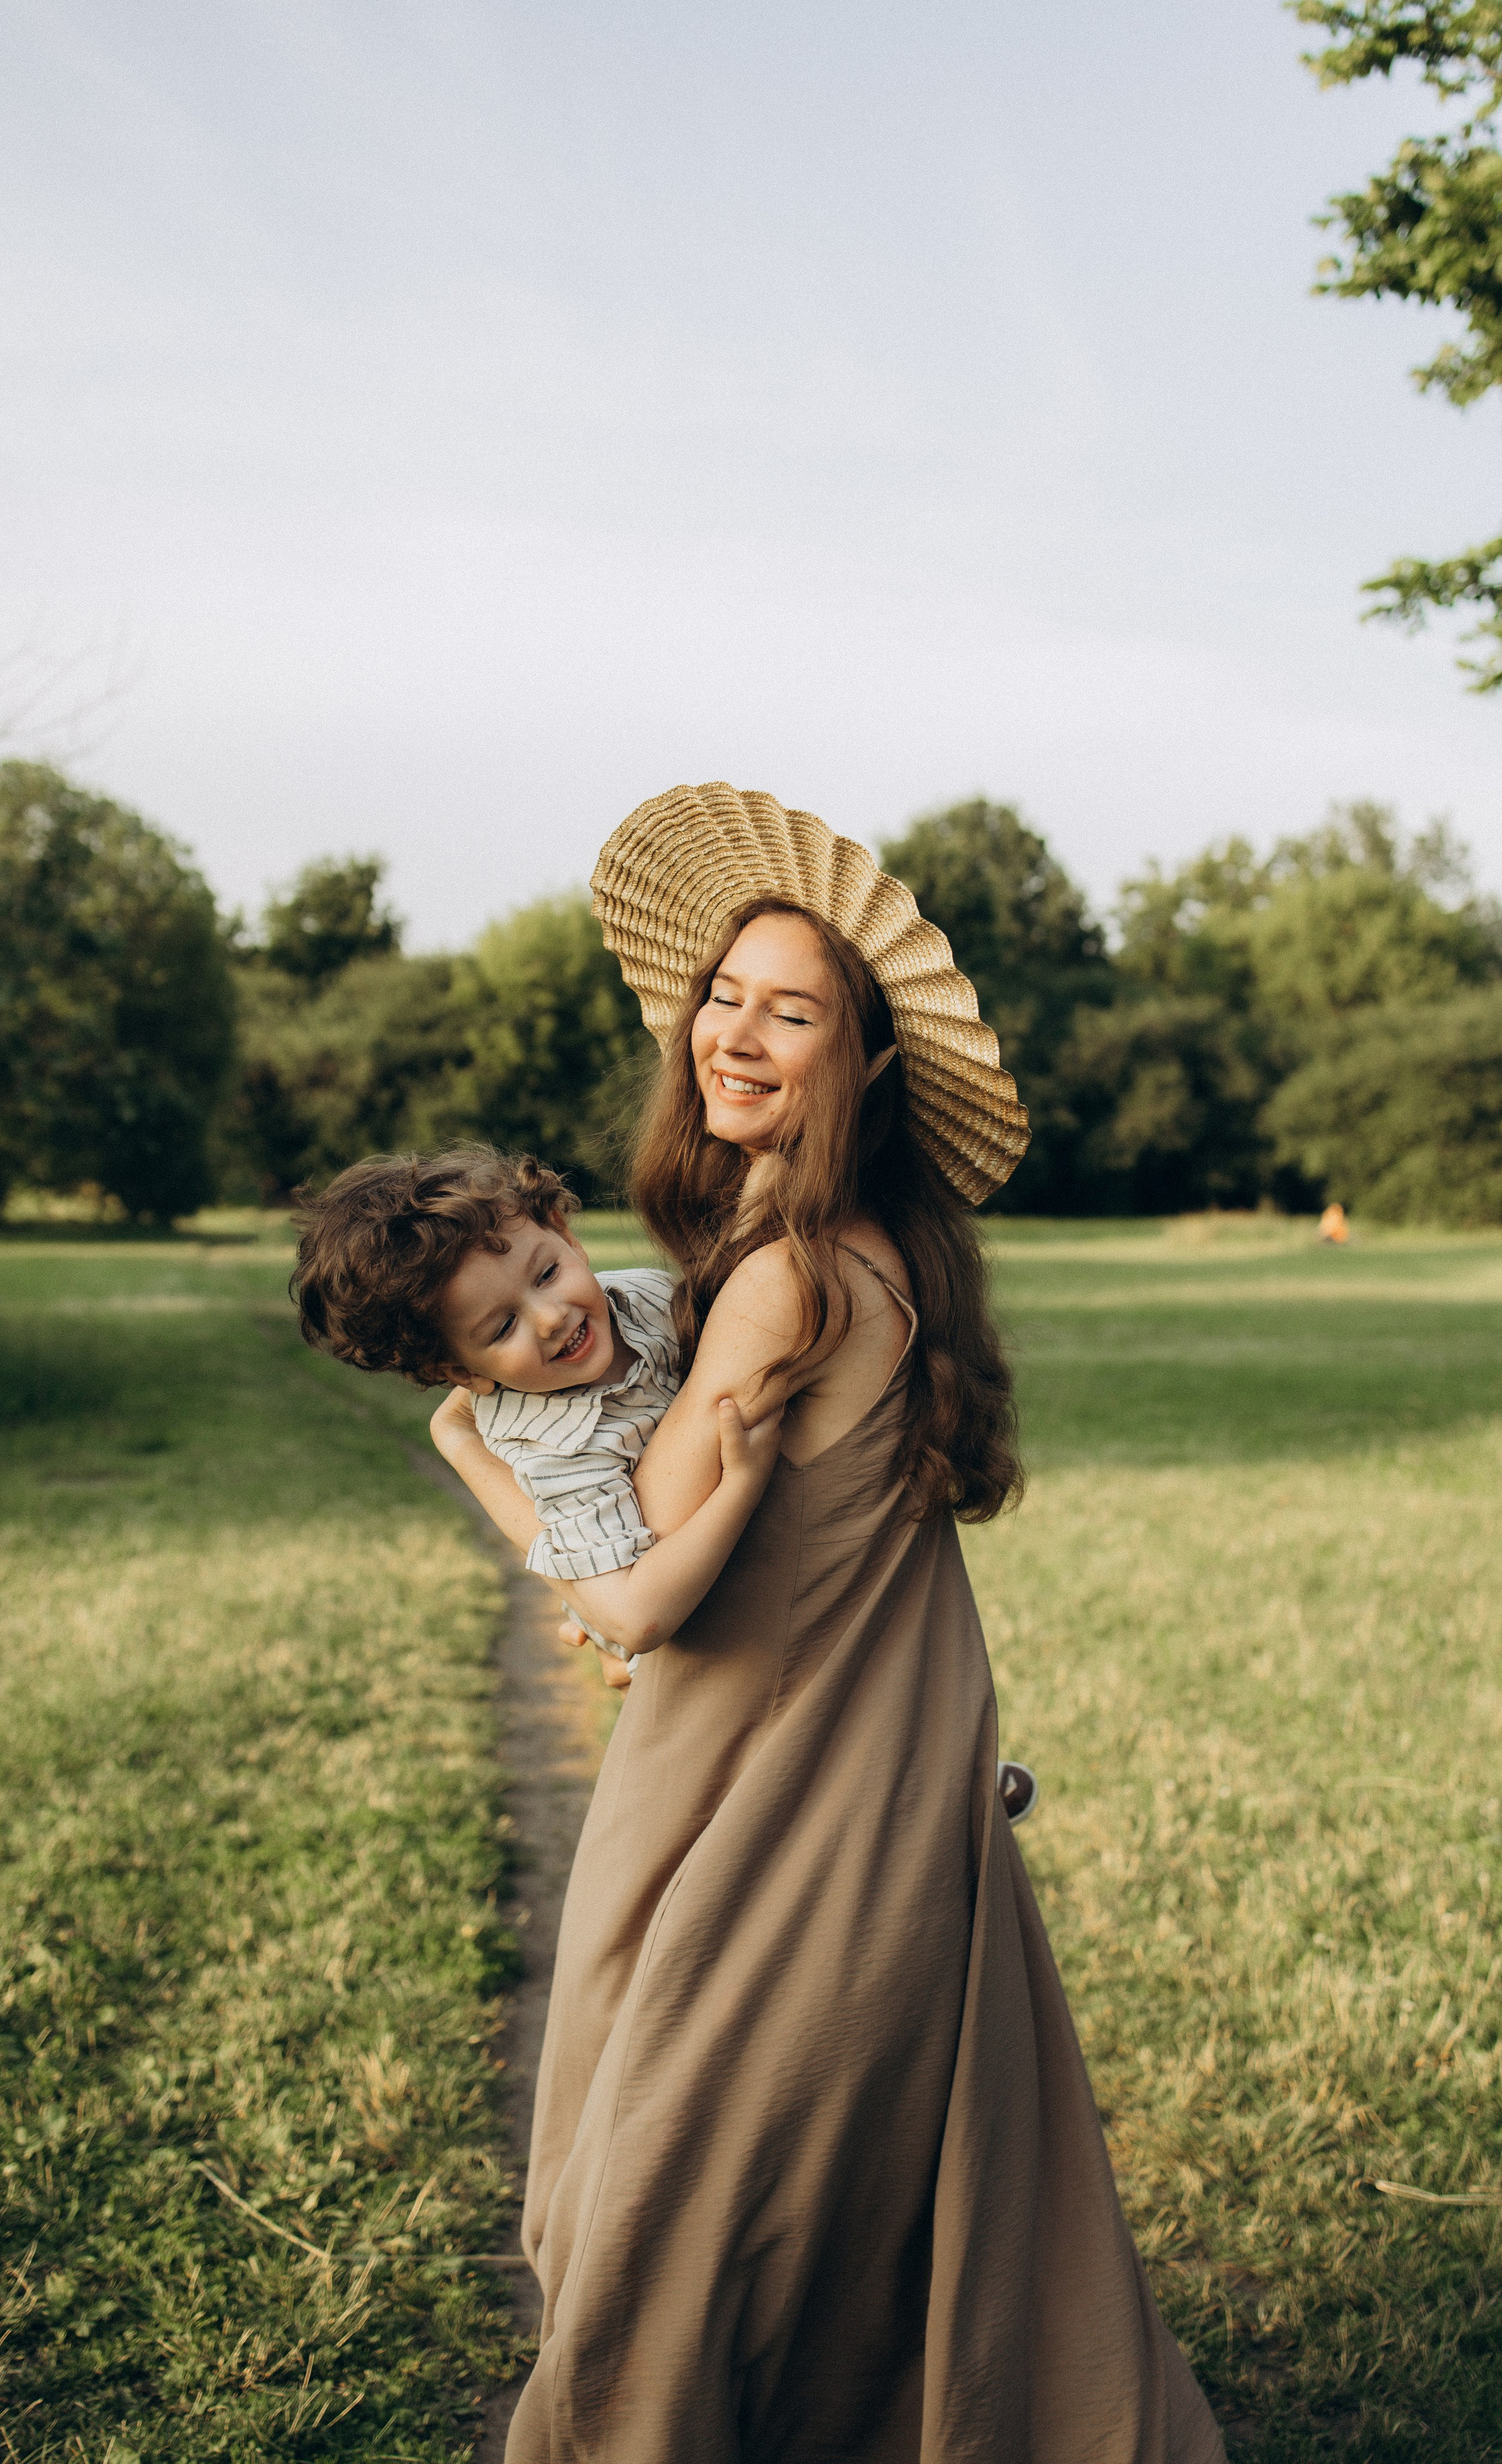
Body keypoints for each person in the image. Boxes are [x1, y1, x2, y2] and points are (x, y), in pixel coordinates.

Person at [436, 783, 1225, 2462]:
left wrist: (492, 1468)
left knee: (665, 2193)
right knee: (814, 2178)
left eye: (787, 1012)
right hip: (832, 1771)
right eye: (721, 995)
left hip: (769, 1790)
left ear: (864, 1064)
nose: (732, 1031)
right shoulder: (835, 1252)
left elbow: (639, 1596)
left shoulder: (787, 1277)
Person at [288, 1145, 1040, 1815]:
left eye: (547, 1272)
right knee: (795, 1721)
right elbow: (636, 1618)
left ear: (563, 1226)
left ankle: (941, 1774)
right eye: (501, 1330)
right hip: (686, 1632)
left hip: (751, 1560)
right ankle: (922, 1791)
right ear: (457, 1371)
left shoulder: (640, 1297)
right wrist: (739, 1484)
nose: (551, 1317)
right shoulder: (557, 1447)